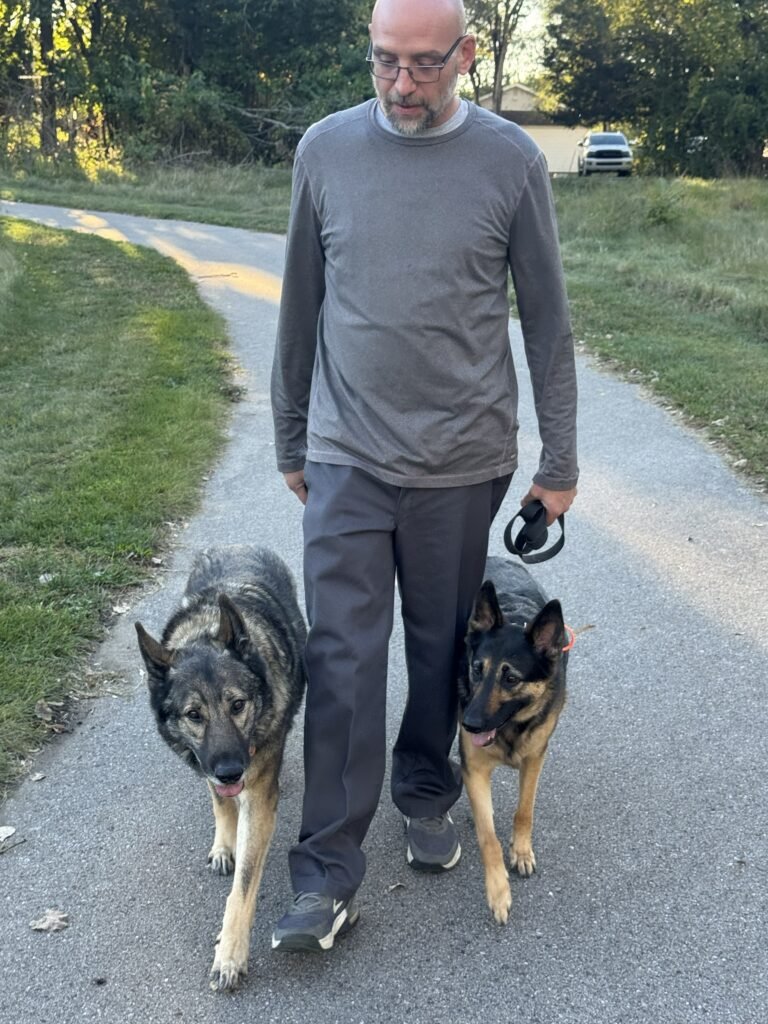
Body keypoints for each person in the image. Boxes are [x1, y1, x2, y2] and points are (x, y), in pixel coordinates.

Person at [269, 0, 578, 953]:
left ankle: (426, 785)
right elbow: (299, 306)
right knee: (342, 657)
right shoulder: (325, 151)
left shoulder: (510, 162)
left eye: (424, 64)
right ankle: (326, 872)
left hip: (462, 461)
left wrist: (559, 463)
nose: (401, 85)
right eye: (384, 62)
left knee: (444, 646)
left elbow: (547, 321)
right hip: (347, 454)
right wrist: (291, 439)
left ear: (467, 54)